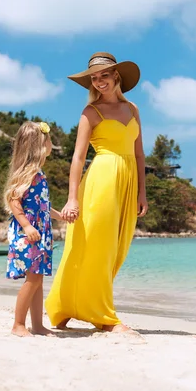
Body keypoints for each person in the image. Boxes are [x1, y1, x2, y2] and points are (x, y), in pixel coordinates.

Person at [45, 51, 148, 333]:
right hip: (102, 180)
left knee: (117, 249)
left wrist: (142, 193)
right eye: (94, 77)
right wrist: (72, 197)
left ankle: (67, 305)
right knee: (95, 246)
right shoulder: (91, 112)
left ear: (117, 76)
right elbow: (78, 158)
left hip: (127, 183)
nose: (99, 81)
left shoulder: (133, 110)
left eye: (104, 75)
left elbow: (139, 155)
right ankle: (103, 317)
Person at [4, 121, 62, 337]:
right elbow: (13, 199)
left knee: (38, 278)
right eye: (49, 139)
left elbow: (42, 206)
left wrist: (60, 216)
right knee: (33, 279)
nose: (51, 143)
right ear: (39, 145)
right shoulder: (28, 173)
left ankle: (37, 325)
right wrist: (27, 226)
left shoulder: (40, 173)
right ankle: (18, 324)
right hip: (28, 233)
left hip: (40, 233)